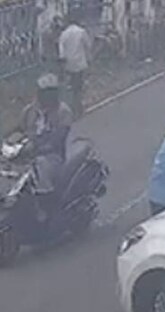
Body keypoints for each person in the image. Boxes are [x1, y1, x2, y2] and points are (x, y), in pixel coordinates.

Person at [18, 74, 74, 221]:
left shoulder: (63, 111)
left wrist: (39, 148)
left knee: (40, 167)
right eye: (44, 92)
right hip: (29, 154)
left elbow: (59, 138)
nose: (47, 97)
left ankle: (48, 210)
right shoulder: (29, 111)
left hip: (52, 156)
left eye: (51, 92)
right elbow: (18, 131)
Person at [58, 13, 93, 117]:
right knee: (79, 87)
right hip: (80, 64)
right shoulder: (81, 32)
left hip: (69, 65)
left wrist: (62, 65)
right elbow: (88, 45)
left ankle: (72, 106)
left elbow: (61, 53)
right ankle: (78, 107)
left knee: (71, 86)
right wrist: (89, 58)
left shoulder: (63, 34)